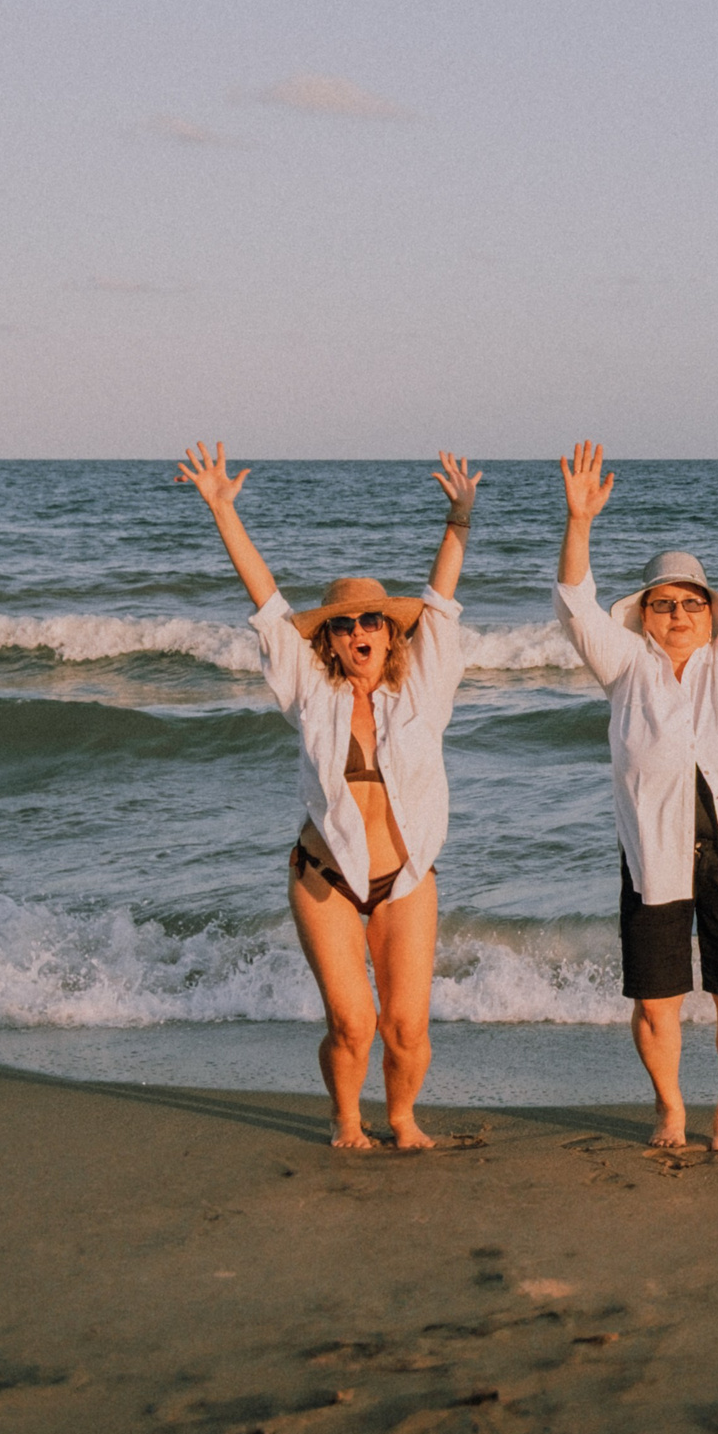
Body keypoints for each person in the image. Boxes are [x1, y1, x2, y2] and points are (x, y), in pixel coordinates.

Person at [180, 441, 474, 1150]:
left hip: (406, 881)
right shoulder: (311, 693)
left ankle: (402, 1117)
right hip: (325, 877)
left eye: (372, 621)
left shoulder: (422, 691)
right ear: (331, 643)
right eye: (343, 625)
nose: (358, 632)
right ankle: (346, 1118)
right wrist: (223, 511)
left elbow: (441, 603)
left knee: (406, 1028)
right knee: (353, 1024)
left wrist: (460, 520)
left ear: (389, 632)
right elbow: (267, 602)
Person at [555, 441, 718, 1153]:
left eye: (691, 602)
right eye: (663, 603)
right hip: (655, 854)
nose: (678, 612)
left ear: (710, 612)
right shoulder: (627, 667)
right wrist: (579, 521)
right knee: (655, 1000)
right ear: (642, 616)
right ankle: (671, 1108)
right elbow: (577, 606)